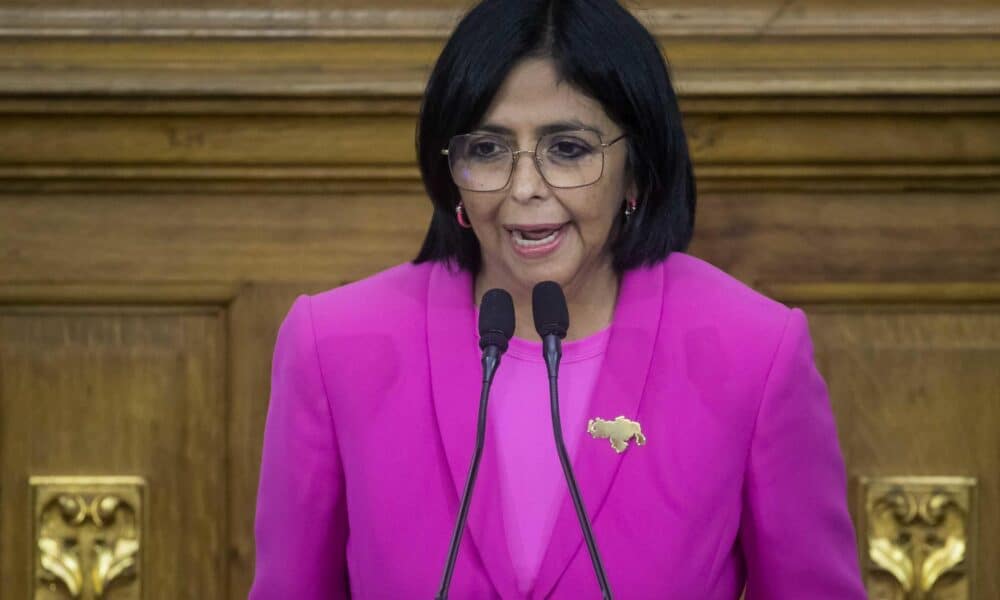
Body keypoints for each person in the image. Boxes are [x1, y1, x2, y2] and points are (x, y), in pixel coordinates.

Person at [249, 0, 866, 598]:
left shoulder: (754, 352)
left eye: (568, 150)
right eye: (487, 150)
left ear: (638, 169)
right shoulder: (333, 346)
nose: (524, 189)